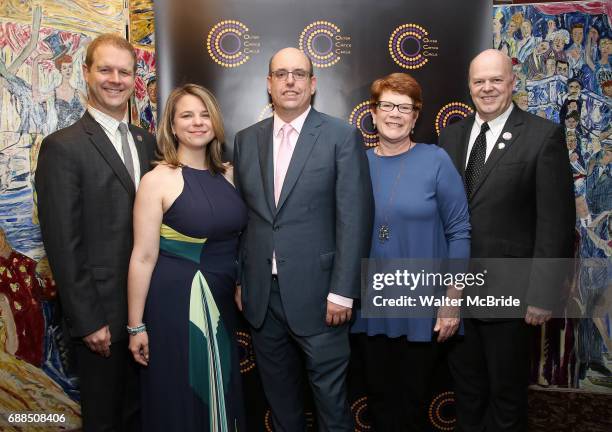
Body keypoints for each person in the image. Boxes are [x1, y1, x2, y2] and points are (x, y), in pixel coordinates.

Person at [233, 47, 373, 431]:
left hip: (322, 296)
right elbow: (246, 220)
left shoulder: (341, 136)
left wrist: (343, 291)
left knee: (331, 404)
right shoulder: (246, 139)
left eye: (298, 74)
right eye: (281, 74)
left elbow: (354, 217)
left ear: (313, 84)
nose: (289, 81)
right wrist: (243, 279)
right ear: (269, 84)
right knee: (281, 405)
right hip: (262, 298)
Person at [438, 49, 575, 431]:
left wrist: (542, 294)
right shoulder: (450, 136)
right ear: (468, 86)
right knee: (466, 393)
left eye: (495, 80)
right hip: (458, 295)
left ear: (513, 83)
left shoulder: (542, 136)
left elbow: (556, 223)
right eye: (479, 81)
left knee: (507, 397)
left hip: (511, 298)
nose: (487, 88)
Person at [35, 33, 156, 431]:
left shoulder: (148, 143)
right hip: (101, 319)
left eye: (125, 71)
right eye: (106, 69)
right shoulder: (63, 147)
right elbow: (63, 244)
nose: (116, 79)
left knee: (145, 415)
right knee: (106, 419)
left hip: (151, 312)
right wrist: (88, 321)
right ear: (86, 73)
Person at [350, 72, 470, 431]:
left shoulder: (436, 161)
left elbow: (460, 231)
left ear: (416, 117)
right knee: (380, 401)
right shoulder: (355, 164)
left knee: (412, 403)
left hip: (422, 306)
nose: (395, 114)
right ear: (373, 113)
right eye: (386, 105)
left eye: (405, 107)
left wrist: (452, 299)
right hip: (370, 305)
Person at [127, 83, 247, 430]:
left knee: (220, 386)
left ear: (215, 123)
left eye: (205, 114)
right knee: (181, 391)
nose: (197, 122)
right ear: (173, 126)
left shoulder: (229, 175)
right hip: (176, 302)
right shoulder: (157, 180)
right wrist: (136, 325)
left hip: (222, 297)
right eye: (187, 115)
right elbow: (143, 256)